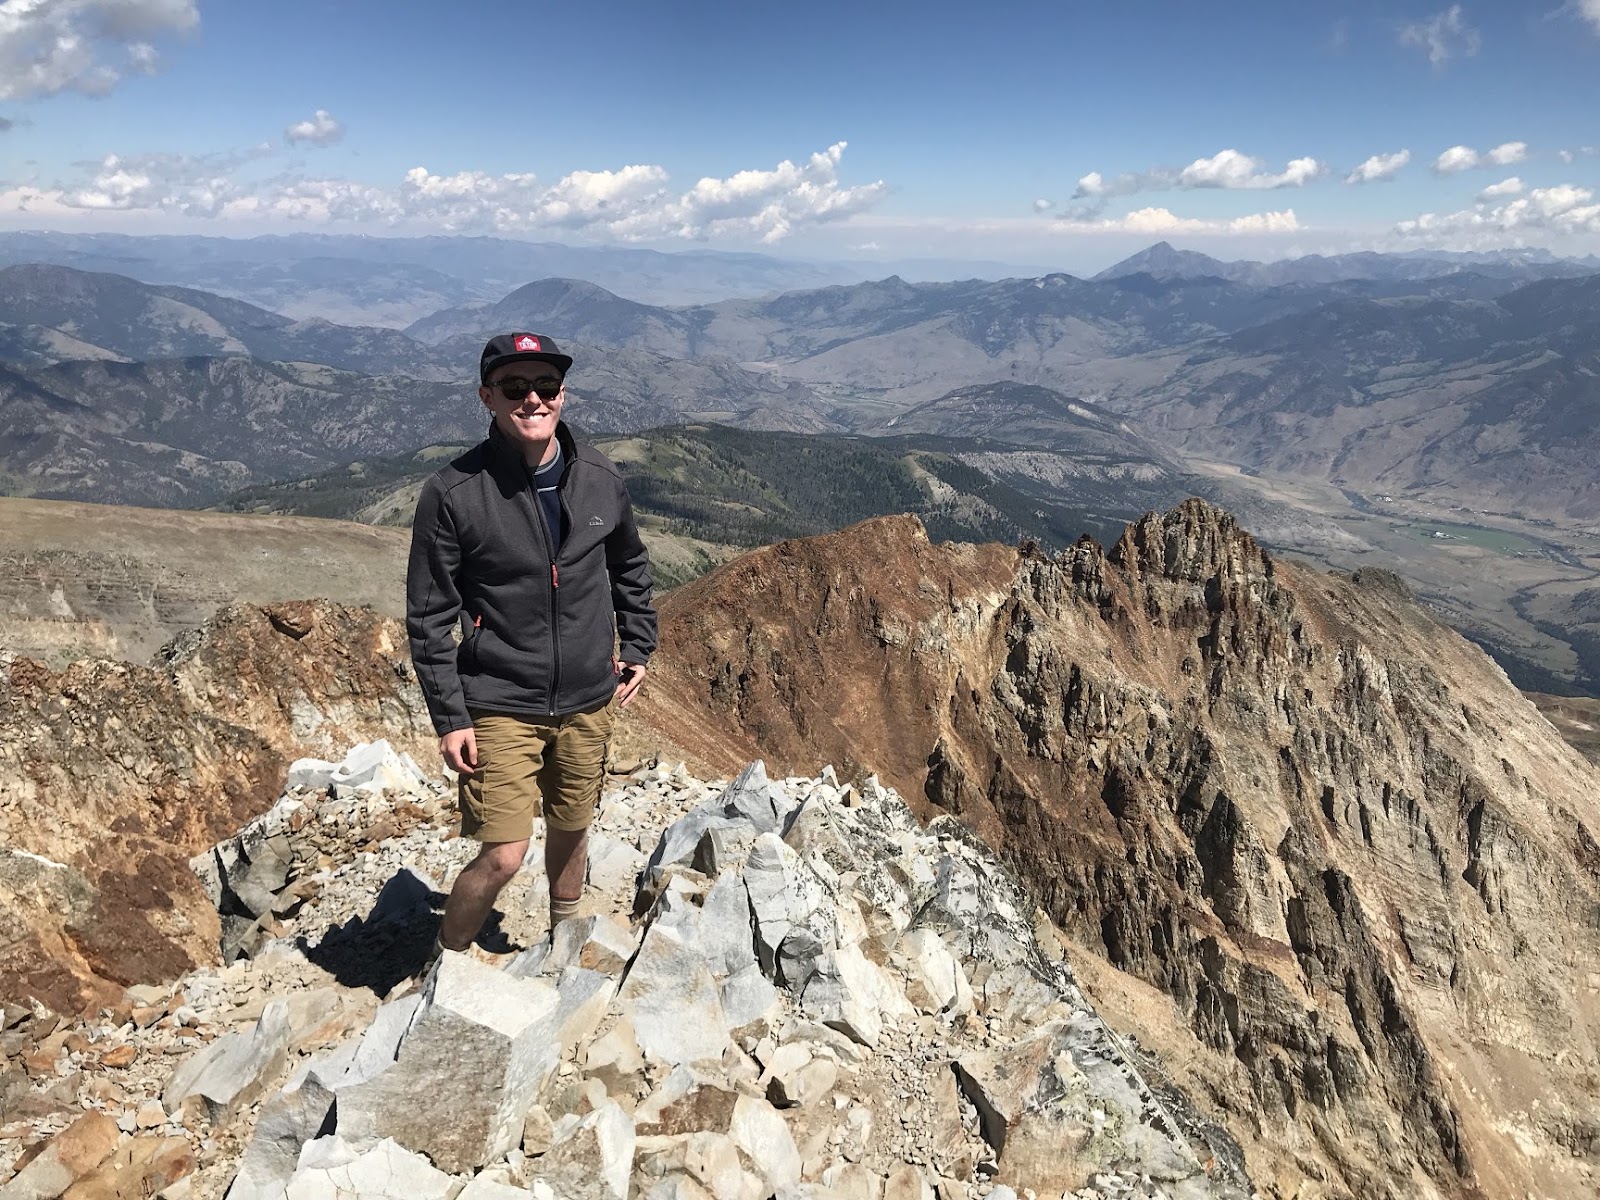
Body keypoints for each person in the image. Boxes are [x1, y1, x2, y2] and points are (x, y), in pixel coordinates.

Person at [406, 332, 656, 960]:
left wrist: (639, 643)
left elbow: (630, 564)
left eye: (545, 387)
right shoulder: (454, 493)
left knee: (572, 830)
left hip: (588, 697)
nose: (533, 399)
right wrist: (450, 716)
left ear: (563, 395)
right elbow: (431, 614)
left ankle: (564, 945)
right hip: (499, 700)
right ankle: (447, 960)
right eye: (516, 388)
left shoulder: (600, 478)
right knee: (503, 853)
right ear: (488, 396)